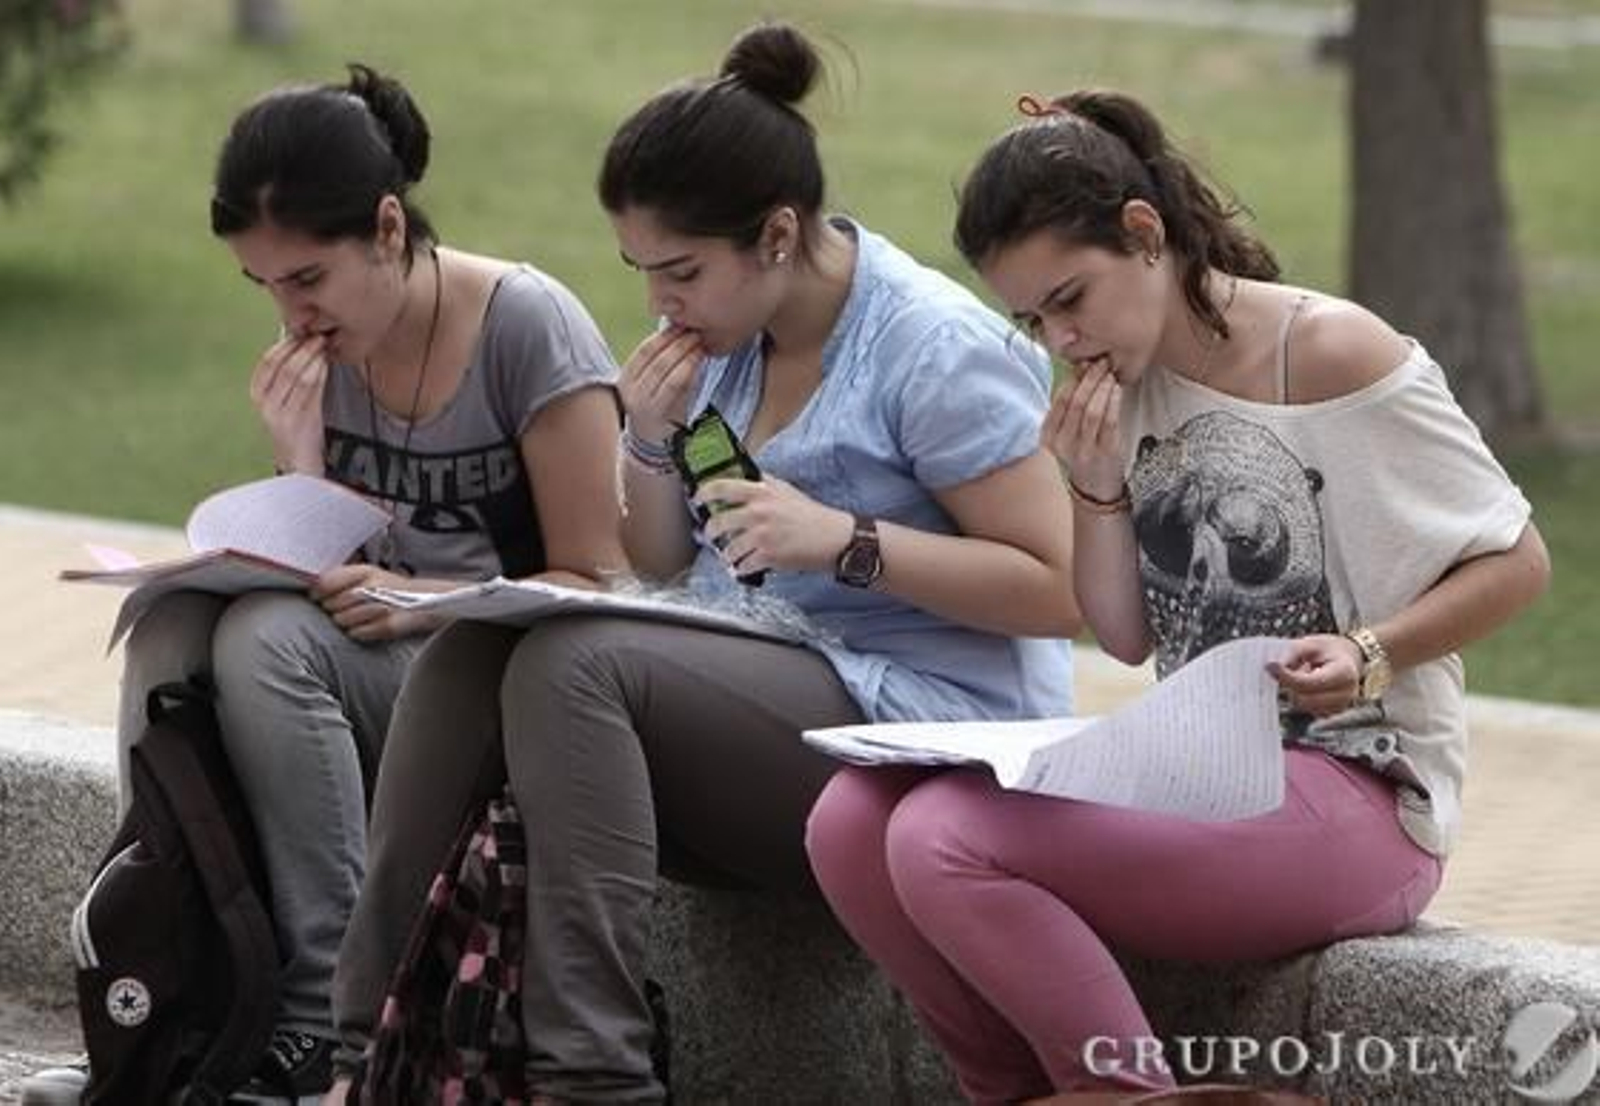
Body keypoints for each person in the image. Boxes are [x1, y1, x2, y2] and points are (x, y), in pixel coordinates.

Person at [329, 21, 1080, 1105]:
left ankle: (594, 1082)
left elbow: (1057, 590)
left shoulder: (933, 349)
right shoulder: (726, 346)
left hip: (920, 732)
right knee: (471, 652)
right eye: (642, 273)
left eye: (681, 271)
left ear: (776, 235)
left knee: (576, 665)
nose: (660, 305)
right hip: (755, 703)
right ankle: (360, 1058)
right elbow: (662, 559)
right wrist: (646, 437)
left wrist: (848, 541)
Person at [804, 88, 1551, 1103]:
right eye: (1033, 318)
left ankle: (1125, 1092)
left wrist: (1370, 650)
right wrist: (1094, 483)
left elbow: (1518, 561)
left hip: (1366, 794)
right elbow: (1122, 634)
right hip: (1200, 773)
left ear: (1145, 234)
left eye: (1070, 299)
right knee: (850, 822)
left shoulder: (1328, 352)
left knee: (943, 838)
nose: (1060, 339)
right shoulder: (1119, 384)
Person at [101, 64, 626, 1103]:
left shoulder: (528, 327)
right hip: (369, 669)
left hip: (496, 686)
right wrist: (300, 458)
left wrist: (421, 600)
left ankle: (330, 1017)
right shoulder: (329, 346)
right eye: (263, 287)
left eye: (307, 279)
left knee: (265, 644)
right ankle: (152, 957)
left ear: (388, 227)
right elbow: (325, 572)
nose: (291, 314)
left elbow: (600, 580)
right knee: (172, 630)